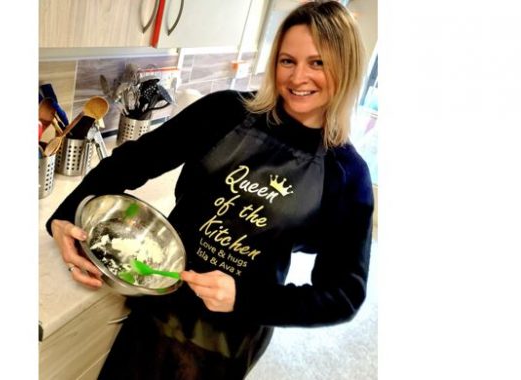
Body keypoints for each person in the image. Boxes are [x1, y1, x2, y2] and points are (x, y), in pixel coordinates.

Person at [46, 1, 374, 379]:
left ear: (345, 67)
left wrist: (244, 298)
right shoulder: (226, 113)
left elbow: (343, 294)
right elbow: (134, 160)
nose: (298, 77)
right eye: (288, 61)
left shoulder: (347, 175)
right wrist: (65, 215)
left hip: (229, 337)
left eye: (317, 62)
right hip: (157, 304)